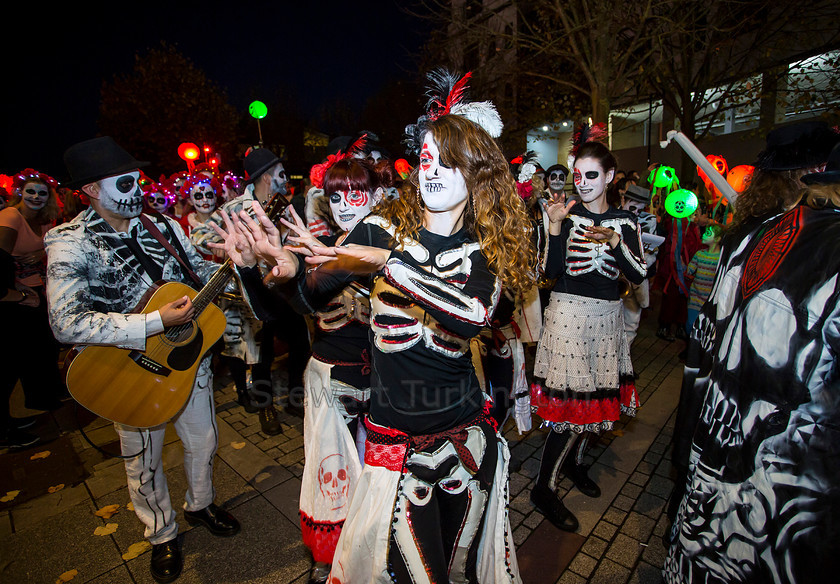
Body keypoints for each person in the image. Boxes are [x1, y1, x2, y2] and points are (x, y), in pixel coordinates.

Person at [213, 69, 531, 583]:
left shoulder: (483, 247)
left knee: (461, 572)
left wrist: (385, 264)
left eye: (449, 160)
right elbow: (296, 305)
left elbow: (473, 315)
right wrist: (258, 268)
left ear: (475, 170)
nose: (433, 170)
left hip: (465, 444)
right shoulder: (380, 229)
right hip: (393, 447)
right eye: (426, 158)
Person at [45, 137, 240, 584]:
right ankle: (161, 533)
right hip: (126, 371)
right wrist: (152, 323)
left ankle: (201, 504)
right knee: (144, 461)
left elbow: (199, 276)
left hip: (188, 363)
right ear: (92, 190)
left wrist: (239, 265)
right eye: (126, 181)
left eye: (139, 179)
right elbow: (65, 323)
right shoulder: (71, 242)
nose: (138, 189)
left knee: (204, 442)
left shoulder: (164, 227)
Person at [663, 123, 840, 583]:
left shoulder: (748, 233)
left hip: (728, 430)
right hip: (773, 464)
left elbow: (710, 336)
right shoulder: (768, 237)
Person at [267, 144, 393, 583]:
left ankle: (360, 558)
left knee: (373, 478)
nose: (343, 206)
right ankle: (335, 559)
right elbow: (280, 311)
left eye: (354, 195)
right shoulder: (337, 244)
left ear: (376, 196)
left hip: (377, 383)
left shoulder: (376, 235)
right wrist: (256, 268)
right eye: (335, 197)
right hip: (331, 380)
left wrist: (292, 273)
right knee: (333, 473)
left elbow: (306, 296)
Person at [531, 122, 647, 532]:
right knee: (570, 407)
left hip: (607, 320)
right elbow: (548, 273)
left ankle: (576, 465)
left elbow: (637, 277)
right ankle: (543, 487)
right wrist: (556, 227)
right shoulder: (565, 212)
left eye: (591, 176)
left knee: (597, 400)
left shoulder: (625, 222)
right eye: (577, 175)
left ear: (611, 177)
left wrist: (615, 244)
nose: (581, 184)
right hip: (568, 318)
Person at [192, 147, 311, 430]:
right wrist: (228, 247)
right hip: (250, 295)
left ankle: (295, 400)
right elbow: (199, 237)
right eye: (281, 174)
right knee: (260, 354)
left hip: (282, 290)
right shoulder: (233, 209)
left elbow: (299, 241)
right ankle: (265, 408)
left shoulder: (284, 206)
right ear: (267, 177)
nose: (286, 179)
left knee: (301, 344)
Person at [0, 169, 66, 448]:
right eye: (31, 191)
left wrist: (43, 253)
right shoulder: (10, 217)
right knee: (8, 365)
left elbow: (50, 250)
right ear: (19, 192)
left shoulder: (43, 220)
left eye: (42, 192)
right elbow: (0, 261)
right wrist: (15, 294)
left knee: (39, 351)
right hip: (13, 300)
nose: (36, 197)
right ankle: (3, 433)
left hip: (37, 293)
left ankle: (31, 406)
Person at [683, 223, 721, 334]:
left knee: (704, 328)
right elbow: (689, 270)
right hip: (695, 297)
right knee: (690, 324)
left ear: (717, 238)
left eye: (708, 233)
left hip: (709, 300)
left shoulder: (720, 259)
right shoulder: (700, 254)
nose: (704, 235)